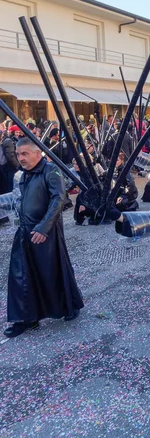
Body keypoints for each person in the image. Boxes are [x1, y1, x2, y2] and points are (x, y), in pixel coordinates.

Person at [3, 138, 84, 337]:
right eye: (18, 154)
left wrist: (43, 227)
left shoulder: (51, 171)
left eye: (25, 154)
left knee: (52, 271)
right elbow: (19, 198)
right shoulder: (22, 175)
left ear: (37, 154)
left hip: (46, 232)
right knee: (21, 275)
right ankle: (27, 318)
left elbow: (59, 198)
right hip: (24, 231)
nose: (20, 158)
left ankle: (68, 305)